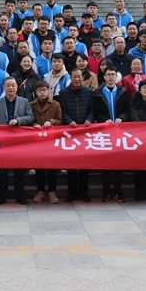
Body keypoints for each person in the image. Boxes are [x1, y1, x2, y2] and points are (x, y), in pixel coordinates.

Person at [0, 77, 34, 204]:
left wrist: (18, 121)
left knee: (19, 170)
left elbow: (30, 117)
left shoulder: (24, 101)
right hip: (2, 141)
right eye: (8, 85)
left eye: (13, 85)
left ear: (17, 87)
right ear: (3, 87)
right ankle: (1, 196)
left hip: (19, 141)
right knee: (2, 171)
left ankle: (20, 195)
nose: (10, 88)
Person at [92, 67, 130, 202]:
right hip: (105, 131)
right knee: (106, 163)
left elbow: (127, 109)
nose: (110, 77)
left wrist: (121, 117)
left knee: (119, 163)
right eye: (108, 75)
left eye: (113, 74)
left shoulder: (123, 91)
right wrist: (104, 120)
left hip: (119, 131)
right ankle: (106, 191)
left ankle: (118, 191)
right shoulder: (97, 93)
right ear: (104, 77)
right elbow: (95, 112)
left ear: (116, 76)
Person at [58, 69, 94, 202]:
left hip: (85, 132)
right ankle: (71, 192)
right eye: (74, 77)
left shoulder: (89, 92)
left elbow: (91, 110)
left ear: (82, 77)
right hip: (70, 132)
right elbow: (63, 111)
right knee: (71, 164)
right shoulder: (63, 93)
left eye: (79, 77)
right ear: (71, 78)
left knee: (85, 164)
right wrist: (69, 121)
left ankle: (84, 192)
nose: (77, 79)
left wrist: (89, 119)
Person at [29, 80, 62, 203]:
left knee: (51, 167)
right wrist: (34, 124)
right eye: (39, 90)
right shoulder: (31, 104)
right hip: (36, 140)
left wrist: (51, 121)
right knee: (39, 167)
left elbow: (60, 120)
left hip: (51, 140)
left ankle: (52, 192)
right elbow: (28, 119)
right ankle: (40, 191)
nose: (42, 92)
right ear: (36, 92)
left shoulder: (56, 104)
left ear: (49, 91)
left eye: (44, 90)